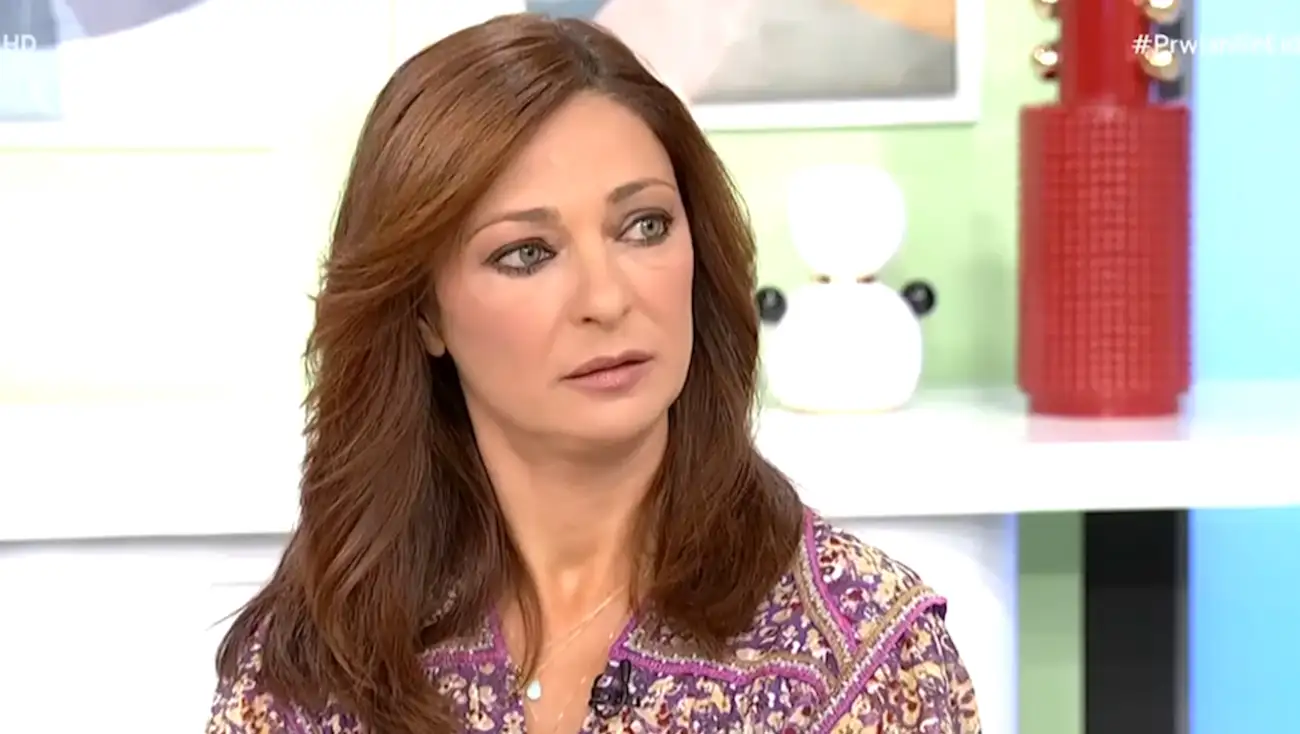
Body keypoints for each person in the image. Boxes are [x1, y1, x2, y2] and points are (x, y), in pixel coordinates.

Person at [205, 13, 979, 734]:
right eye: (527, 253)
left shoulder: (863, 657)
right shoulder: (313, 665)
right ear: (424, 313)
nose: (606, 299)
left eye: (644, 226)